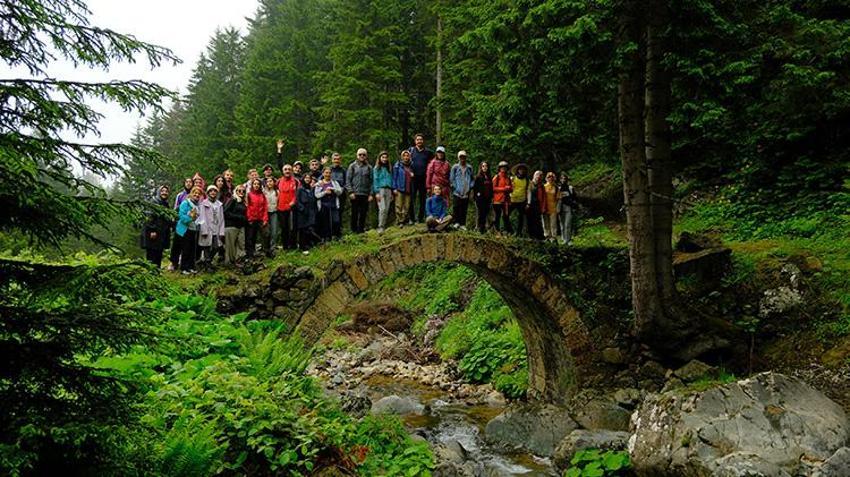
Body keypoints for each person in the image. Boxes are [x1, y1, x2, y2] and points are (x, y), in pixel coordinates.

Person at [141, 185, 171, 268]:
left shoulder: (165, 204)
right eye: (162, 191)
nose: (164, 193)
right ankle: (150, 273)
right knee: (151, 254)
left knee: (158, 253)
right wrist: (152, 230)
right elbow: (149, 217)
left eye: (166, 191)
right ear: (159, 192)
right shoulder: (154, 202)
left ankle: (157, 271)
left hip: (161, 233)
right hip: (152, 233)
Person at [175, 186, 202, 275]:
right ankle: (183, 268)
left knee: (192, 250)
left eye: (198, 194)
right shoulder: (185, 203)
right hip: (185, 229)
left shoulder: (198, 205)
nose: (196, 195)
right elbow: (181, 217)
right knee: (185, 249)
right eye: (195, 193)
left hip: (194, 229)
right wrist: (191, 217)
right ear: (191, 194)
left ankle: (190, 267)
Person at [408, 133, 434, 223]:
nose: (419, 141)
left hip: (424, 179)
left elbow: (433, 165)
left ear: (423, 141)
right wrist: (410, 172)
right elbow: (405, 163)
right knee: (412, 198)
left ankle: (420, 218)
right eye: (417, 139)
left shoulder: (428, 152)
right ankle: (411, 218)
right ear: (415, 141)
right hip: (413, 179)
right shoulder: (411, 151)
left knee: (423, 199)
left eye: (421, 139)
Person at [168, 177, 193, 271]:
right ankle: (173, 262)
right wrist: (175, 220)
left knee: (187, 245)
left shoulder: (195, 194)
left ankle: (184, 263)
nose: (188, 184)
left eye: (190, 182)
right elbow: (176, 208)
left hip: (190, 223)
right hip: (180, 222)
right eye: (187, 182)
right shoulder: (180, 195)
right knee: (176, 244)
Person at [347, 148, 373, 233]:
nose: (362, 156)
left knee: (363, 213)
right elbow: (348, 180)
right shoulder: (352, 166)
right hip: (355, 193)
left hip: (365, 194)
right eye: (360, 154)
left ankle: (361, 230)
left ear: (366, 156)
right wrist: (350, 192)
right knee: (354, 213)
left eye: (364, 155)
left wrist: (371, 194)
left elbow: (372, 181)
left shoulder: (369, 167)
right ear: (357, 155)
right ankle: (353, 230)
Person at [197, 185, 225, 265]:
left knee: (216, 247)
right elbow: (202, 218)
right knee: (207, 247)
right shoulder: (203, 204)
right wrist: (204, 230)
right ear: (208, 193)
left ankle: (208, 261)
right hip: (207, 229)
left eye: (214, 191)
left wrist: (221, 231)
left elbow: (222, 219)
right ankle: (207, 263)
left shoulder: (219, 204)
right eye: (211, 191)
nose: (213, 193)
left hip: (216, 228)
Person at [314, 167, 343, 242]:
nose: (328, 174)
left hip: (333, 204)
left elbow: (340, 192)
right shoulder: (319, 183)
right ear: (323, 174)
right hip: (323, 205)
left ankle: (336, 236)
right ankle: (326, 238)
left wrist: (333, 190)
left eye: (329, 173)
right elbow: (317, 195)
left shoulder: (334, 182)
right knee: (325, 222)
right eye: (326, 173)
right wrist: (325, 192)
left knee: (336, 221)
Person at [223, 184, 248, 265]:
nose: (241, 192)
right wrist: (239, 217)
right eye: (239, 190)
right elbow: (226, 212)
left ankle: (239, 260)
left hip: (241, 226)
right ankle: (229, 262)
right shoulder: (232, 200)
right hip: (231, 225)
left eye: (243, 191)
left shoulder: (243, 202)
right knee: (230, 246)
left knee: (241, 243)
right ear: (236, 191)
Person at [276, 164, 300, 249]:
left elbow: (298, 193)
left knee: (293, 227)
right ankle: (285, 246)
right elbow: (275, 192)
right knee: (284, 228)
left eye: (289, 169)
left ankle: (293, 246)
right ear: (283, 171)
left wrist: (294, 201)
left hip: (292, 207)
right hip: (281, 208)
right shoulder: (278, 181)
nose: (287, 171)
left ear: (292, 171)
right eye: (285, 169)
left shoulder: (296, 181)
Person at [449, 150, 474, 230]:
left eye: (464, 157)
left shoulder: (469, 167)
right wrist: (455, 187)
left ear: (466, 157)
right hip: (457, 191)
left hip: (466, 191)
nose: (462, 158)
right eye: (461, 157)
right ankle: (456, 222)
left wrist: (470, 186)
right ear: (458, 158)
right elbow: (452, 179)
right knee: (456, 207)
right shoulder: (455, 167)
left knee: (464, 208)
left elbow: (472, 179)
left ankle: (463, 224)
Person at [245, 178, 269, 259]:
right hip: (252, 219)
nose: (256, 185)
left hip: (261, 219)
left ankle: (266, 252)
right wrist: (249, 218)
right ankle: (250, 254)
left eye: (258, 184)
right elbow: (247, 207)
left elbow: (265, 207)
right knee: (251, 237)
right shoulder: (249, 195)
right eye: (255, 184)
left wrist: (265, 219)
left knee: (266, 234)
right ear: (252, 185)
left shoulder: (262, 195)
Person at [296, 173, 320, 251]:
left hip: (311, 211)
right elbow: (297, 200)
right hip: (302, 212)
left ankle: (309, 245)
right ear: (303, 179)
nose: (307, 179)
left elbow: (314, 200)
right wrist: (302, 209)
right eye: (306, 178)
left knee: (310, 229)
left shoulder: (312, 189)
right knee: (302, 230)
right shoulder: (300, 189)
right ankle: (302, 247)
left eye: (309, 178)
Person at [392, 150, 414, 226]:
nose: (406, 157)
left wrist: (412, 175)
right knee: (399, 205)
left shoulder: (412, 165)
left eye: (407, 155)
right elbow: (394, 177)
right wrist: (394, 188)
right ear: (402, 157)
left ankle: (404, 220)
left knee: (407, 206)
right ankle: (400, 220)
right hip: (399, 188)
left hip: (408, 188)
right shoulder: (397, 165)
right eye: (404, 155)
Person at [373, 151, 393, 233]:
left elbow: (391, 180)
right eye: (383, 157)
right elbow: (375, 180)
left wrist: (391, 191)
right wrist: (376, 192)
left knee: (387, 209)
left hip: (388, 189)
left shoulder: (389, 168)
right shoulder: (377, 168)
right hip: (380, 189)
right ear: (380, 158)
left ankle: (384, 225)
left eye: (386, 157)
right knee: (382, 208)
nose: (384, 159)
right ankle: (380, 226)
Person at [492, 161, 513, 233]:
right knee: (497, 216)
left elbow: (511, 189)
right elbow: (493, 188)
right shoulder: (497, 177)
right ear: (499, 168)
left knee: (506, 216)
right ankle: (496, 230)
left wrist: (509, 188)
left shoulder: (508, 178)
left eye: (505, 167)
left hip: (506, 200)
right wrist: (504, 189)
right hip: (497, 200)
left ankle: (507, 231)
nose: (503, 169)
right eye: (502, 167)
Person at [472, 161, 493, 233]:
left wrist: (491, 196)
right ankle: (479, 229)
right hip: (480, 198)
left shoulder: (489, 177)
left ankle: (484, 229)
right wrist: (476, 196)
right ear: (481, 167)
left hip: (488, 198)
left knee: (486, 213)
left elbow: (491, 188)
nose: (485, 168)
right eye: (483, 166)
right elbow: (475, 188)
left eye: (486, 166)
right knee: (480, 213)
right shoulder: (478, 177)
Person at [509, 163, 529, 236]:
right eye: (520, 169)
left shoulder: (527, 180)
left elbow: (528, 191)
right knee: (506, 215)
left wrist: (528, 203)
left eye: (523, 169)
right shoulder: (512, 178)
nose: (521, 171)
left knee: (521, 217)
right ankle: (509, 230)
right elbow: (508, 188)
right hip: (512, 200)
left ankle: (519, 232)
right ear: (517, 170)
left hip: (522, 201)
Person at [558, 172, 578, 245]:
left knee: (568, 224)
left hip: (569, 208)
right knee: (562, 225)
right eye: (562, 178)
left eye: (565, 178)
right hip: (560, 208)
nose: (563, 180)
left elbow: (575, 198)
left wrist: (575, 207)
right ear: (560, 179)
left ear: (567, 179)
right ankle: (563, 239)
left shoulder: (570, 188)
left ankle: (568, 240)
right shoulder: (558, 188)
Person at [330, 153, 347, 237]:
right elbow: (322, 180)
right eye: (334, 159)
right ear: (332, 160)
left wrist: (343, 189)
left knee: (339, 214)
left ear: (340, 160)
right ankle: (331, 233)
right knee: (331, 214)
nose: (336, 161)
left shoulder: (343, 170)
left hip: (341, 195)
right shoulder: (329, 169)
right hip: (330, 196)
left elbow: (346, 181)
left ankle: (338, 234)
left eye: (338, 159)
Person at [526, 170, 546, 240]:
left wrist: (543, 207)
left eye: (540, 175)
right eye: (537, 175)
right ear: (534, 176)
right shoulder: (529, 183)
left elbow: (544, 197)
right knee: (530, 221)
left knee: (537, 221)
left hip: (538, 205)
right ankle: (531, 236)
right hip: (530, 205)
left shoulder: (542, 186)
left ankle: (539, 237)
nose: (538, 177)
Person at [263, 176, 279, 253]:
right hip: (265, 213)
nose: (269, 183)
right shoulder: (263, 192)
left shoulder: (277, 192)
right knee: (266, 231)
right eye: (268, 181)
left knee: (274, 230)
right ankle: (266, 247)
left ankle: (273, 247)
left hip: (274, 212)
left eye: (271, 181)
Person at [542, 172, 559, 240]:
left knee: (553, 224)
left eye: (552, 177)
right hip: (545, 207)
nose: (550, 178)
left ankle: (554, 237)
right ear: (546, 178)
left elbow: (558, 198)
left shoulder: (556, 187)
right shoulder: (543, 187)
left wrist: (558, 207)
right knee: (546, 223)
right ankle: (547, 236)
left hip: (553, 207)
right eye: (549, 177)